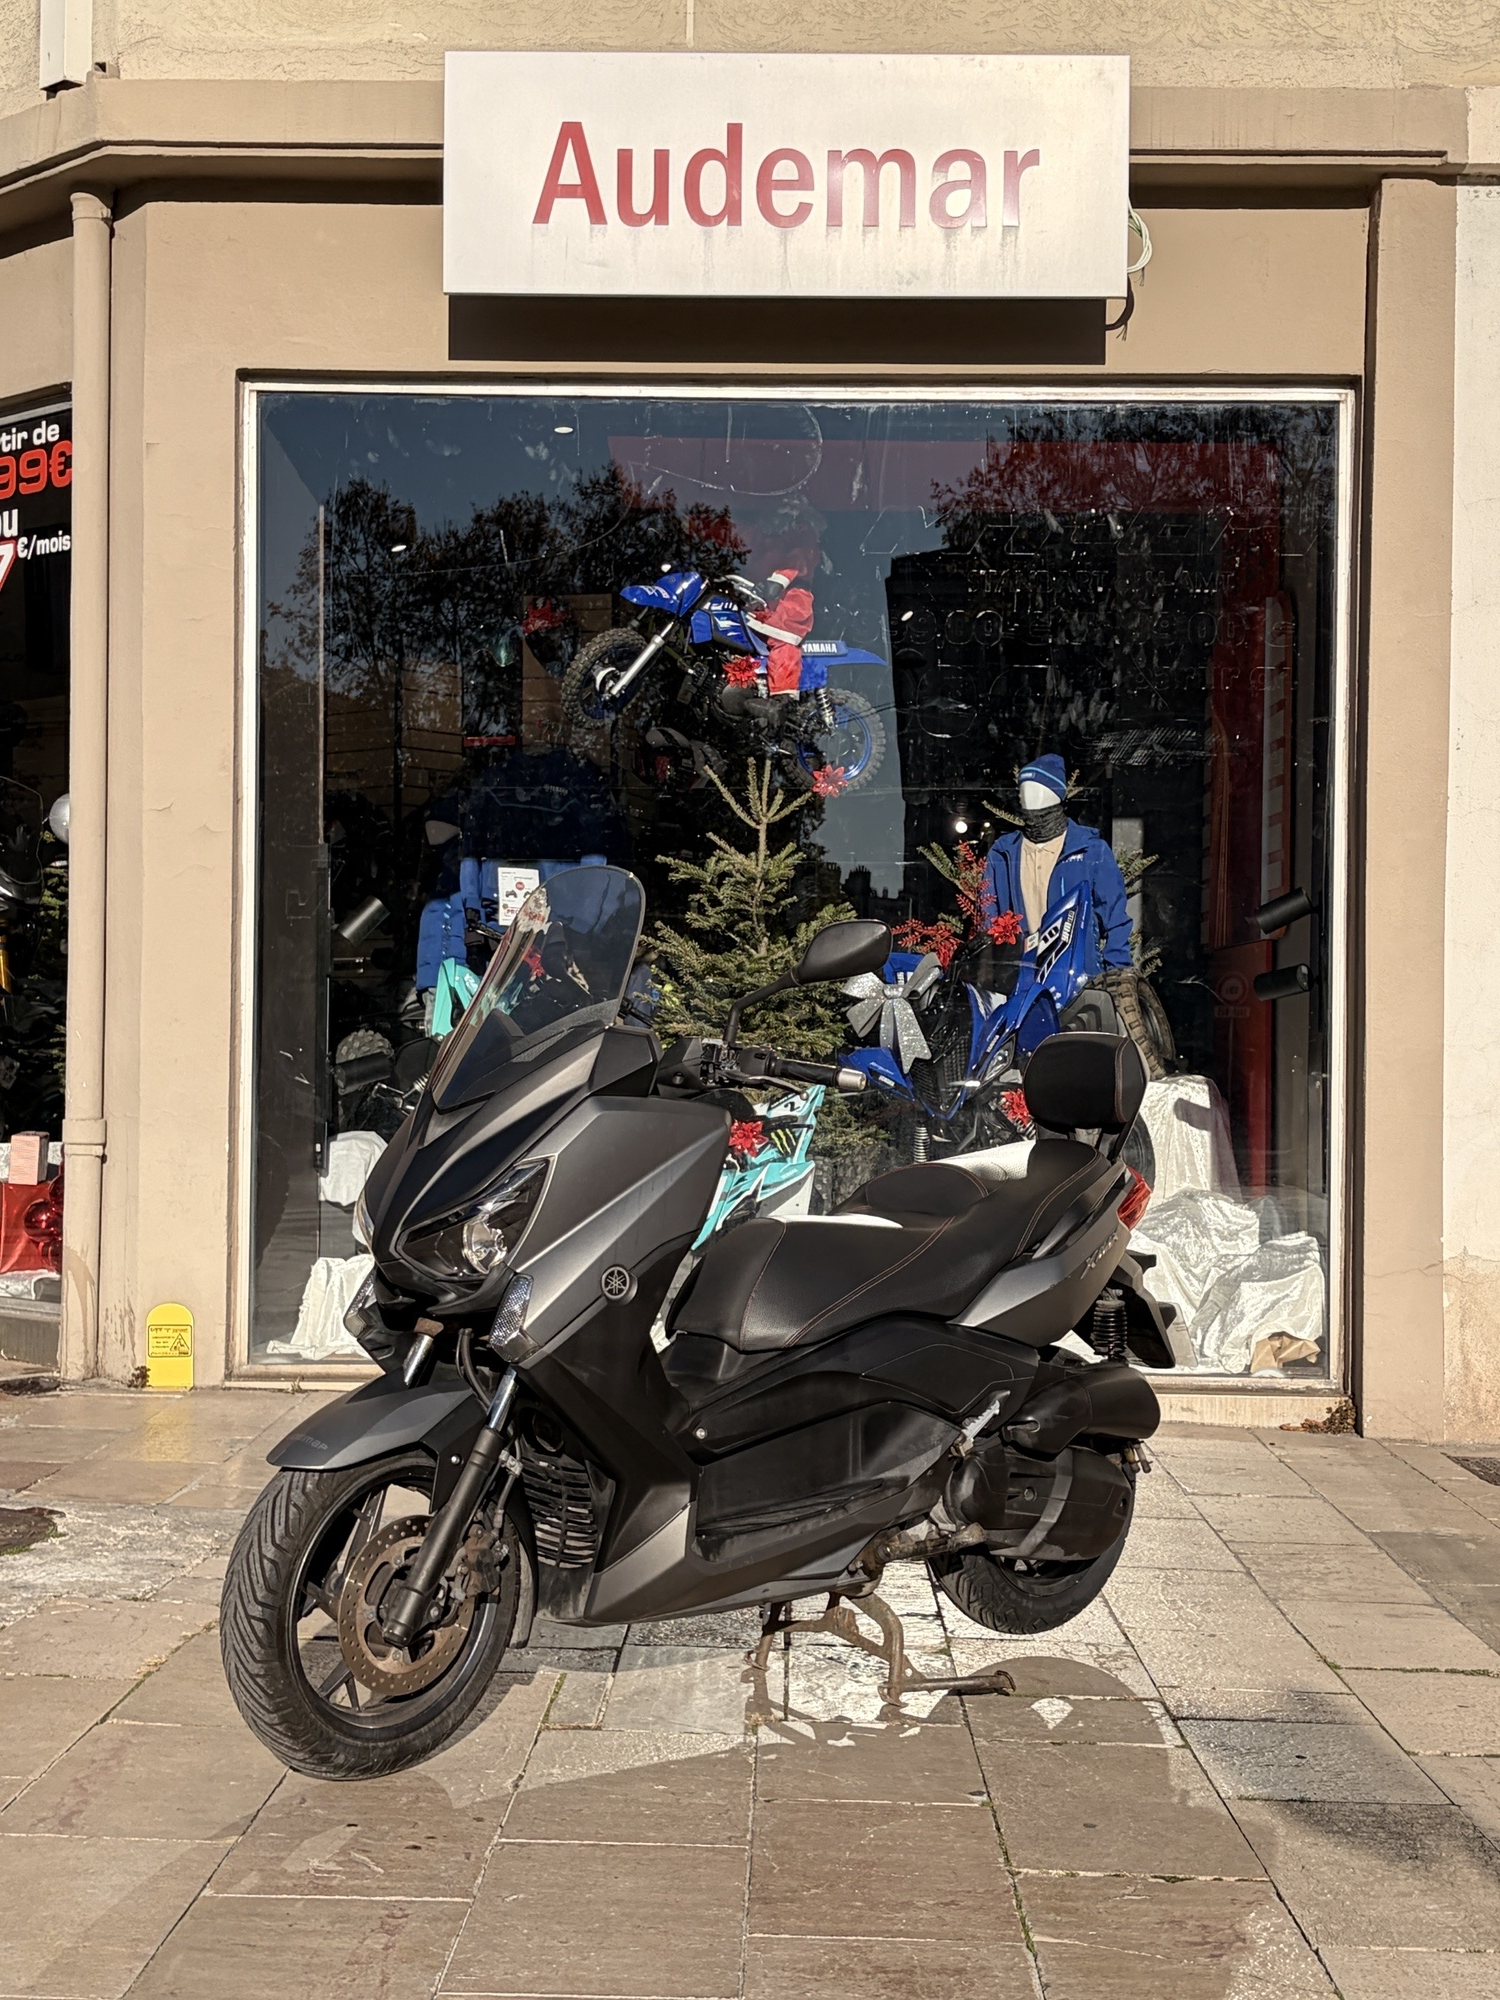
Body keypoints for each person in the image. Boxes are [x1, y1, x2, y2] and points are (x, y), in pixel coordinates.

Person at [980, 754, 1133, 978]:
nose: (1026, 796)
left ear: (1055, 794)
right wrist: (988, 974)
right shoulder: (1004, 853)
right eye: (1023, 790)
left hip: (1077, 979)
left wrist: (1116, 975)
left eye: (1036, 788)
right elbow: (988, 918)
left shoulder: (1090, 851)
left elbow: (1115, 918)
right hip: (1019, 979)